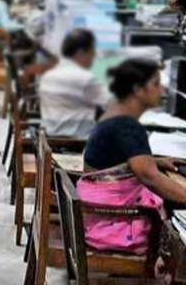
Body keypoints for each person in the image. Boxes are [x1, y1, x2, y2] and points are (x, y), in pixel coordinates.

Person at [78, 59, 186, 254]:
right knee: (176, 224)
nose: (162, 90)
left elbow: (117, 158)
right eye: (156, 84)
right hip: (109, 223)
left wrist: (155, 161)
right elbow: (150, 177)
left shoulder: (115, 113)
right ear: (137, 89)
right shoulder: (128, 126)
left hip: (93, 215)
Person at [39, 30, 113, 138]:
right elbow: (113, 102)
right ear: (81, 53)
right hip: (79, 141)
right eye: (92, 52)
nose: (93, 57)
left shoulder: (47, 76)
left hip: (49, 139)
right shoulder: (84, 78)